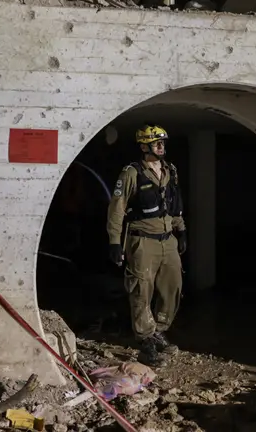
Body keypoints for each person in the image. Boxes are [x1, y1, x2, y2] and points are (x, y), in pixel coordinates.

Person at [106, 124, 188, 367]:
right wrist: (114, 241)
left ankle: (157, 329)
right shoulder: (132, 173)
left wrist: (181, 229)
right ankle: (145, 341)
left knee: (173, 287)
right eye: (156, 143)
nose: (161, 146)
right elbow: (117, 209)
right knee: (141, 290)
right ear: (144, 147)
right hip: (142, 240)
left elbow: (174, 203)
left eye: (163, 142)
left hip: (167, 240)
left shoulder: (170, 170)